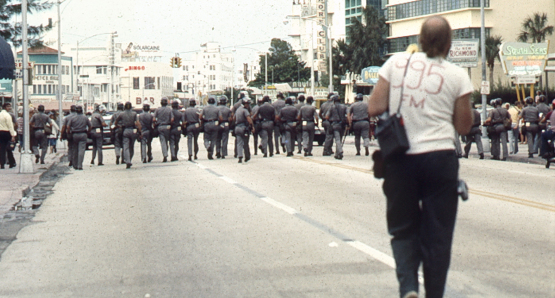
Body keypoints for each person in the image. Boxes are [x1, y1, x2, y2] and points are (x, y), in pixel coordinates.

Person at [368, 16, 473, 298]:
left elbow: (374, 106)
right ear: (449, 44)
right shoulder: (457, 75)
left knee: (402, 228)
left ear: (420, 40)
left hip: (401, 158)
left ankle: (409, 288)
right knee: (438, 235)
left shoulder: (395, 64)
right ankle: (434, 293)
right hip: (440, 159)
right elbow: (464, 126)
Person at [113, 102, 142, 169]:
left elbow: (115, 122)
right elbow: (138, 123)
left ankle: (127, 161)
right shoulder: (134, 114)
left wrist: (119, 126)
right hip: (132, 130)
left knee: (125, 147)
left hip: (125, 130)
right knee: (131, 147)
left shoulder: (121, 114)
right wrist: (140, 132)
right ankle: (130, 159)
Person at [67, 106, 92, 170]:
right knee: (81, 150)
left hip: (74, 134)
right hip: (83, 134)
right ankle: (80, 165)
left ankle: (75, 164)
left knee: (75, 150)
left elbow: (68, 127)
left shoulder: (72, 118)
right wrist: (88, 132)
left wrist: (69, 133)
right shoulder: (85, 118)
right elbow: (90, 126)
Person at [325, 95, 347, 160]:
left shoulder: (332, 107)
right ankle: (337, 154)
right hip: (342, 125)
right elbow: (348, 115)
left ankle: (339, 151)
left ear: (334, 101)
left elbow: (327, 117)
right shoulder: (344, 107)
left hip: (334, 124)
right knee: (339, 139)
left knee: (337, 139)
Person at [233, 97, 255, 163]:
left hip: (237, 127)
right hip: (244, 128)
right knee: (245, 142)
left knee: (239, 143)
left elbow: (234, 118)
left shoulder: (238, 110)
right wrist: (252, 127)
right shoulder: (245, 110)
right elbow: (249, 119)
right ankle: (247, 156)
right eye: (247, 104)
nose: (248, 105)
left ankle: (240, 156)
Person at [153, 97, 174, 162]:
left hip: (160, 127)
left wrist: (155, 123)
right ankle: (172, 154)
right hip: (168, 127)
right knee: (169, 141)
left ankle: (165, 155)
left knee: (163, 142)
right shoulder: (169, 110)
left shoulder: (157, 110)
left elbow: (154, 119)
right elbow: (172, 119)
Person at [0, 103, 17, 169]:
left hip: (0, 132)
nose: (9, 108)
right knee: (9, 148)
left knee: (2, 148)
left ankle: (2, 164)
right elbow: (10, 126)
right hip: (6, 132)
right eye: (8, 106)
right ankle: (11, 162)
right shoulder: (7, 115)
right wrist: (13, 135)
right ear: (5, 107)